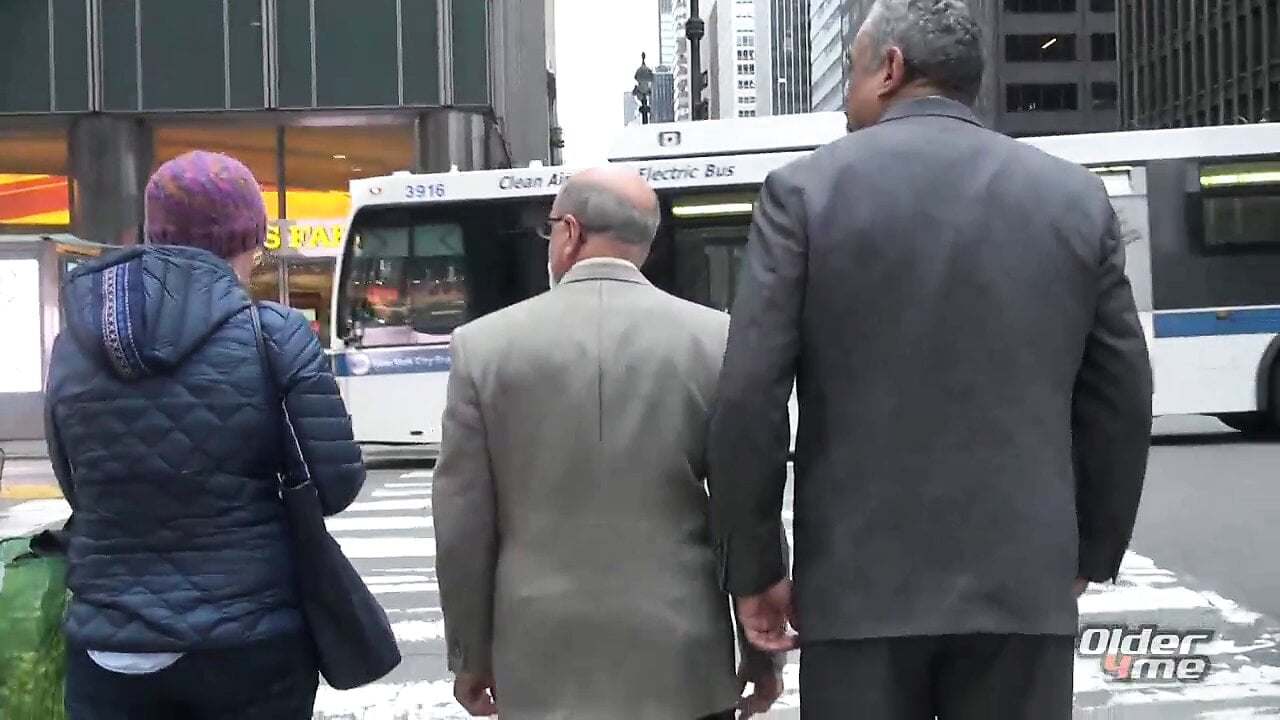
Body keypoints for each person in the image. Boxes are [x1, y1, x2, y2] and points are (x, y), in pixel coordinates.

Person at [706, 0, 1153, 717]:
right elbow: (1120, 398)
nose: (846, 99)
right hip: (1021, 586)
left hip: (857, 590)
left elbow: (750, 396)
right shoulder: (1074, 197)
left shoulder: (804, 193)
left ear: (890, 69)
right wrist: (1090, 551)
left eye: (853, 72)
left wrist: (756, 567)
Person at [432, 167, 786, 720]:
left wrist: (471, 656)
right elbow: (745, 505)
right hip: (683, 660)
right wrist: (762, 657)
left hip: (540, 663)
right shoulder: (718, 340)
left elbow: (462, 526)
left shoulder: (482, 347)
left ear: (570, 232)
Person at [45, 150, 366, 719]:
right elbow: (334, 486)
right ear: (248, 238)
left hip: (109, 642)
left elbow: (75, 484)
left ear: (154, 232)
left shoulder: (75, 343)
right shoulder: (274, 334)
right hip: (251, 636)